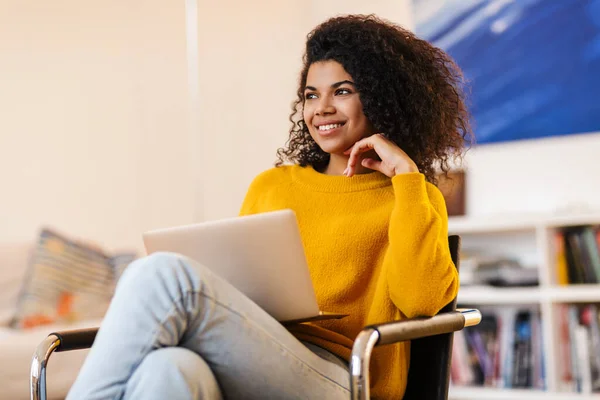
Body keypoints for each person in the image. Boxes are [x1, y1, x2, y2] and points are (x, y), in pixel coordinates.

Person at [67, 14, 471, 400]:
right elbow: (238, 292)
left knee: (162, 274)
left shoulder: (412, 195)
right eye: (311, 95)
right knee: (169, 369)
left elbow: (421, 302)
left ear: (382, 99)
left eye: (342, 91)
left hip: (344, 376)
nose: (321, 108)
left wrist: (405, 175)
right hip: (257, 353)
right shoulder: (272, 186)